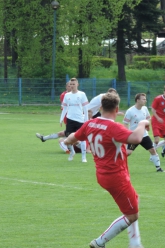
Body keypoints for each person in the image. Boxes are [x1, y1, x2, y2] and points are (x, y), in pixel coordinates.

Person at [63, 92, 147, 248]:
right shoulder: (114, 127)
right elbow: (136, 138)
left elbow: (71, 139)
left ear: (101, 107)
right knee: (132, 215)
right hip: (116, 176)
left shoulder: (90, 124)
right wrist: (142, 123)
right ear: (117, 109)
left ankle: (135, 243)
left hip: (102, 174)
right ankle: (100, 242)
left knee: (134, 199)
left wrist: (69, 138)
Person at [36, 78, 89, 162]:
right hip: (70, 119)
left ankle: (83, 157)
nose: (72, 86)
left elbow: (86, 108)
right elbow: (64, 108)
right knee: (68, 139)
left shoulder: (82, 94)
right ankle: (72, 152)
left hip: (80, 120)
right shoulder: (67, 95)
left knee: (82, 138)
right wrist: (61, 118)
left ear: (77, 85)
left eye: (73, 84)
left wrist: (86, 120)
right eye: (70, 84)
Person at [123, 93, 165, 172]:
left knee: (152, 150)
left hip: (144, 135)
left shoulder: (145, 109)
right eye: (143, 99)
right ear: (138, 100)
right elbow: (125, 123)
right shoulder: (130, 111)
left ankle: (158, 168)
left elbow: (148, 118)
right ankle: (117, 165)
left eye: (145, 99)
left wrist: (147, 125)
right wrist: (126, 135)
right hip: (134, 136)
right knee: (128, 153)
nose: (145, 100)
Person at [36, 82, 71, 153]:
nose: (71, 87)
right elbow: (65, 106)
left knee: (65, 133)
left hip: (76, 117)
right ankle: (68, 146)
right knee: (67, 133)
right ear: (66, 87)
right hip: (68, 117)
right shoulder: (64, 95)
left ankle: (44, 138)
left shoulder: (78, 94)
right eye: (69, 86)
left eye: (73, 85)